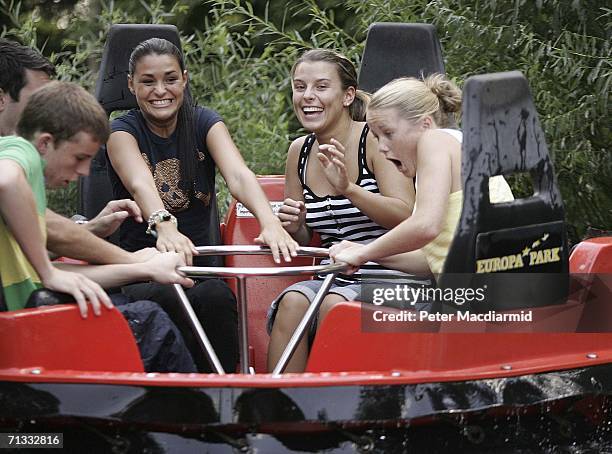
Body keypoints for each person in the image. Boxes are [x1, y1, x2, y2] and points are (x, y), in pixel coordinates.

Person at [106, 38, 298, 373]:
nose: (160, 90)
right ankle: (178, 395)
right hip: (147, 270)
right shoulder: (122, 130)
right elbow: (139, 181)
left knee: (216, 299)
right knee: (167, 298)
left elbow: (238, 175)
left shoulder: (203, 121)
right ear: (131, 85)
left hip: (203, 271)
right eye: (147, 82)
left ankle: (223, 389)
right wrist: (164, 225)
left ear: (184, 78)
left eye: (170, 79)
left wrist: (269, 221)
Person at [0, 80, 196, 372]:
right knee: (151, 322)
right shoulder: (20, 151)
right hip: (21, 337)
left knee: (132, 310)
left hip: (25, 324)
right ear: (45, 143)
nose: (83, 172)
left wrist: (141, 266)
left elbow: (59, 276)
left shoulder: (23, 203)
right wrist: (48, 271)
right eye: (79, 158)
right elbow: (6, 181)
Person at [266, 49, 416, 373]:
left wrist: (350, 188)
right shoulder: (299, 151)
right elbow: (307, 236)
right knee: (291, 303)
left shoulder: (373, 141)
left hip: (390, 270)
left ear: (347, 95)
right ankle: (280, 411)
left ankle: (334, 409)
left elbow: (406, 215)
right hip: (333, 275)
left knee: (335, 308)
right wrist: (296, 226)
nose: (308, 97)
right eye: (299, 86)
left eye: (321, 87)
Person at [330, 74, 513, 277]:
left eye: (388, 133)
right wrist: (364, 251)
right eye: (376, 137)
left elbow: (426, 226)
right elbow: (430, 262)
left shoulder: (434, 141)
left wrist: (363, 253)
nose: (381, 147)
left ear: (425, 125)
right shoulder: (457, 144)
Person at [0, 37, 152, 266]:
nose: (50, 111)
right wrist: (133, 261)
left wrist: (90, 230)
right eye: (39, 100)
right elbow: (48, 227)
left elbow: (27, 246)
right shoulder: (19, 152)